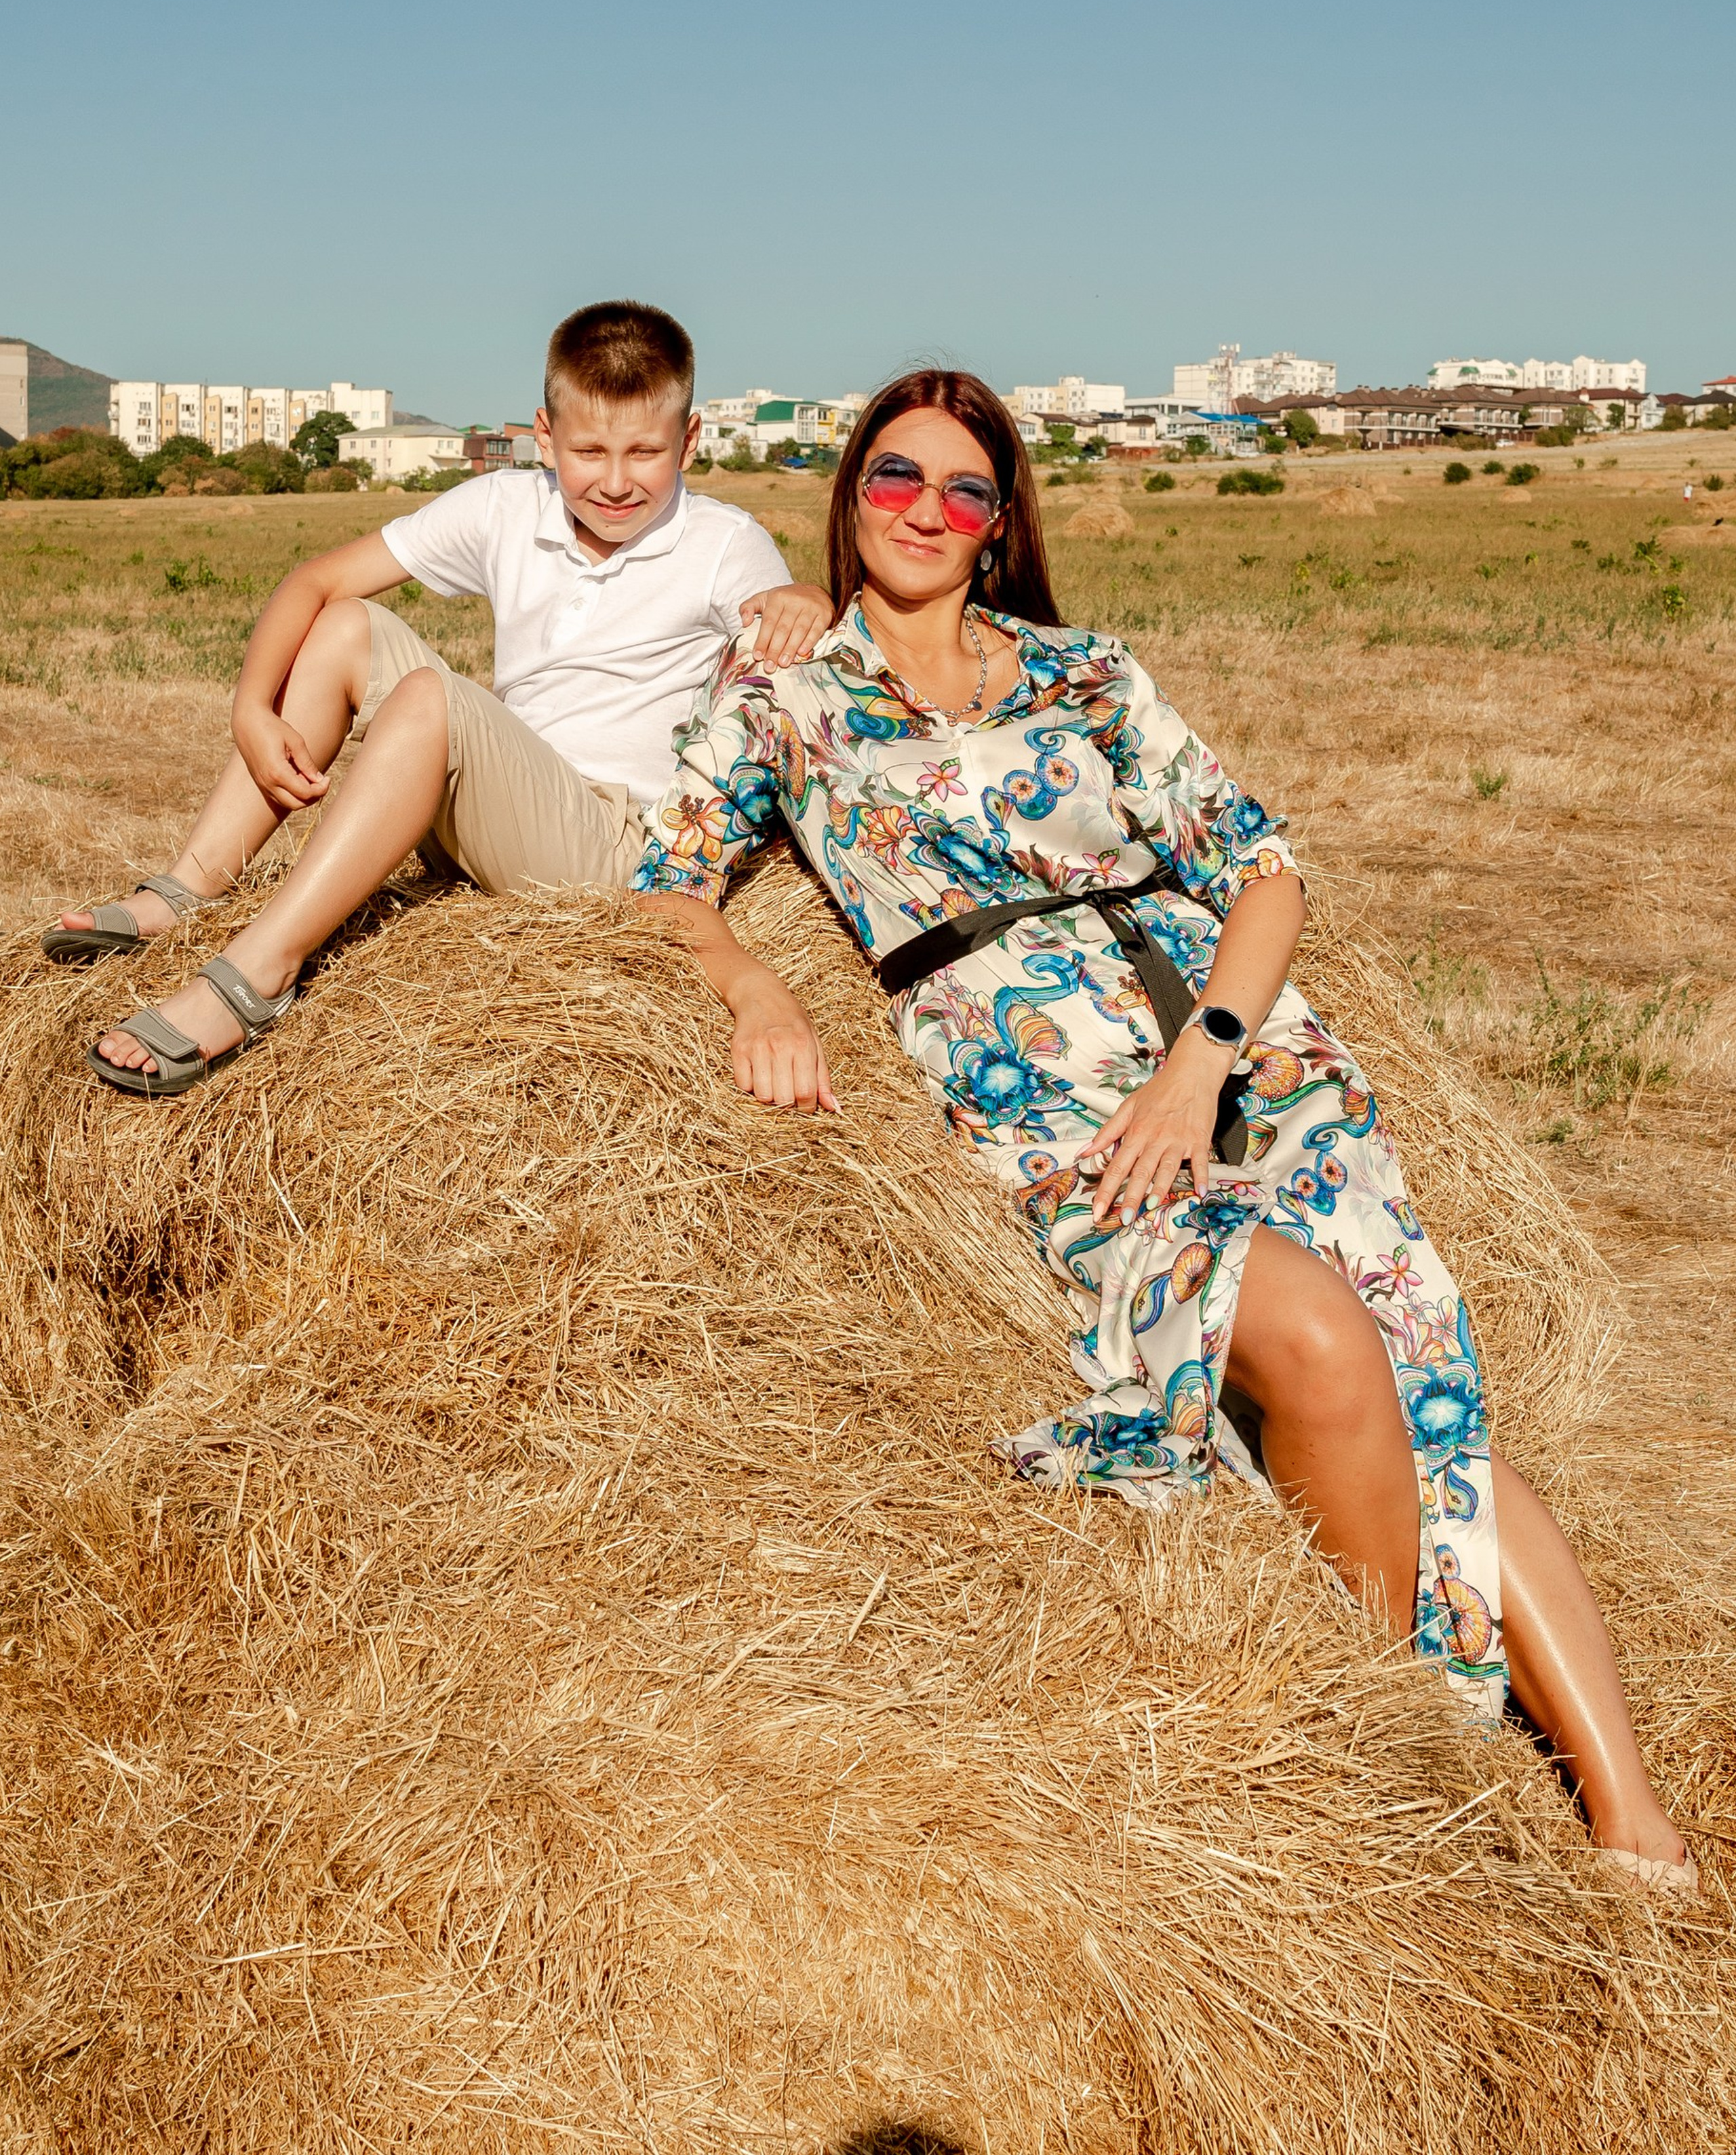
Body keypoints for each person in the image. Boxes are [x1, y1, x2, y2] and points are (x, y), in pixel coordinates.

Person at [633, 365, 1693, 1887]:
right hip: (1045, 1089)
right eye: (892, 479)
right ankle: (1400, 1747)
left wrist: (1200, 1062)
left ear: (999, 525)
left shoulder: (1088, 674)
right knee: (1320, 1346)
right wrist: (750, 990)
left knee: (1425, 1405)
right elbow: (665, 882)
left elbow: (1263, 872)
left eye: (962, 491)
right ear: (848, 494)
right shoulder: (780, 695)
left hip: (1235, 1057)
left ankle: (1626, 1820)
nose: (925, 511)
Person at [58, 300, 831, 1094]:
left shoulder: (723, 543)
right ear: (544, 436)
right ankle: (193, 883)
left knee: (437, 698)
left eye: (645, 452)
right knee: (345, 624)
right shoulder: (506, 506)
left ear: (690, 440)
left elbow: (783, 628)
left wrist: (802, 597)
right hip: (492, 814)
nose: (615, 481)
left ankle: (259, 969)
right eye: (589, 450)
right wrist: (251, 711)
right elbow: (315, 580)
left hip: (606, 846)